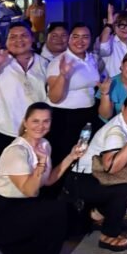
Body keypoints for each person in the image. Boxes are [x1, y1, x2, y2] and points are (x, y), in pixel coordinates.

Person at [0, 102, 83, 254]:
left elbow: (48, 180)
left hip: (21, 208)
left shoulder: (44, 145)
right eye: (35, 121)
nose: (41, 126)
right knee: (56, 211)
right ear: (25, 122)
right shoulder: (17, 151)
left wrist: (71, 156)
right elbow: (30, 191)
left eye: (46, 121)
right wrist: (41, 163)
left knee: (58, 213)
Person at [70, 92, 127, 252]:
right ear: (123, 108)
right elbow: (110, 167)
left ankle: (98, 215)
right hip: (82, 179)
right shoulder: (116, 131)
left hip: (95, 175)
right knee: (125, 189)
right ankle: (108, 235)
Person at [0, 24, 49, 172]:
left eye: (24, 36)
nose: (18, 40)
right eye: (13, 37)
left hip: (33, 133)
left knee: (30, 177)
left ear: (32, 38)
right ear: (5, 40)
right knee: (4, 180)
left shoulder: (42, 63)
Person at [46, 23, 101, 165]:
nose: (80, 41)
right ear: (69, 39)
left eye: (85, 37)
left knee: (82, 155)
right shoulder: (59, 62)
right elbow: (54, 97)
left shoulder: (91, 59)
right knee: (62, 157)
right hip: (64, 117)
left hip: (87, 114)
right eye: (75, 37)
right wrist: (63, 75)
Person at [98, 9, 127, 78]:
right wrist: (109, 24)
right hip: (113, 86)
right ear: (114, 27)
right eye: (121, 25)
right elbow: (103, 44)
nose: (126, 29)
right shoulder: (110, 42)